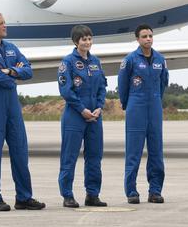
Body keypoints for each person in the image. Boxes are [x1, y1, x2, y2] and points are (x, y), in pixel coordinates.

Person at [0, 12, 45, 212]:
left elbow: (28, 71)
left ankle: (24, 197)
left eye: (4, 22)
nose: (5, 25)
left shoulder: (11, 48)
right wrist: (12, 73)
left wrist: (11, 71)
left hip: (11, 102)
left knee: (20, 148)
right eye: (0, 23)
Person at [56, 24, 107, 208]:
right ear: (76, 41)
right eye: (84, 39)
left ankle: (92, 194)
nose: (87, 42)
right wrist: (81, 109)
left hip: (94, 116)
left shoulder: (96, 62)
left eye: (89, 38)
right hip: (75, 115)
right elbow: (66, 90)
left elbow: (102, 87)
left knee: (94, 156)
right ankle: (67, 195)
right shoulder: (67, 62)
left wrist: (99, 107)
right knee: (69, 156)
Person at [117, 23, 168, 204]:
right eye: (144, 36)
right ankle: (131, 191)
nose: (148, 39)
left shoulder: (160, 60)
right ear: (137, 39)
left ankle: (155, 191)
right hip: (135, 106)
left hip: (154, 106)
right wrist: (127, 104)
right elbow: (122, 85)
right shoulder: (130, 60)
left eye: (150, 36)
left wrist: (156, 99)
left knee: (156, 151)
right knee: (134, 152)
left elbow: (163, 83)